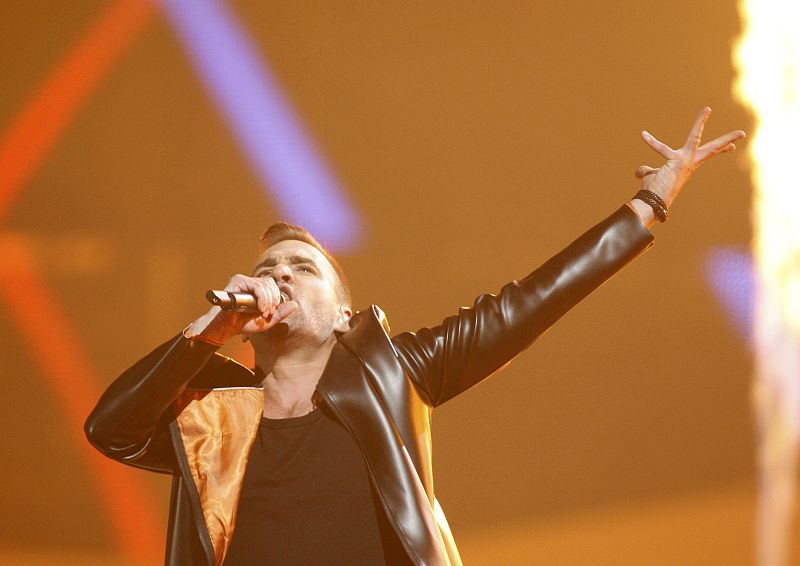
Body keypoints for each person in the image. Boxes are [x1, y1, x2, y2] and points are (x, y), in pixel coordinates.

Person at [85, 108, 745, 566]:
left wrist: (648, 205)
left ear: (344, 314)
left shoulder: (391, 371)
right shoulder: (208, 417)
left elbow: (527, 305)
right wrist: (208, 332)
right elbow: (109, 428)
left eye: (301, 267)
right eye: (267, 270)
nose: (279, 275)